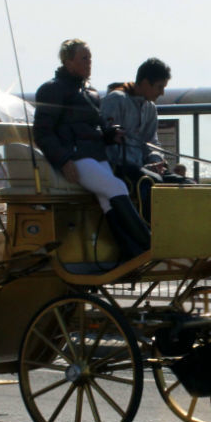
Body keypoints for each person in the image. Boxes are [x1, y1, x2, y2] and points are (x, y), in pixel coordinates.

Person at [34, 38, 149, 260]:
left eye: (90, 58)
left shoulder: (90, 92)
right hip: (76, 157)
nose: (89, 63)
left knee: (108, 197)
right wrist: (64, 160)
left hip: (94, 154)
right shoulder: (51, 90)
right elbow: (43, 132)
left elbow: (94, 126)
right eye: (84, 58)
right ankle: (146, 242)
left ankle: (129, 249)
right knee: (116, 187)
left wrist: (109, 133)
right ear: (68, 62)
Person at [101, 57, 174, 183]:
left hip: (142, 168)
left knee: (186, 184)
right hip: (119, 168)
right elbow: (108, 145)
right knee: (153, 182)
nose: (162, 93)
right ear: (145, 83)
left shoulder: (150, 108)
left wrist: (156, 162)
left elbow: (152, 143)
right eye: (160, 87)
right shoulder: (116, 100)